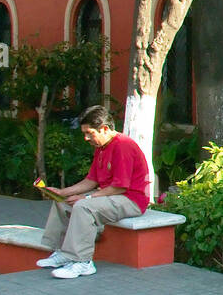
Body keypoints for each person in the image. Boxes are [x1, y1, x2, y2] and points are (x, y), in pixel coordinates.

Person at [36, 105, 150, 278]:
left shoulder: (123, 146)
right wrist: (62, 192)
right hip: (112, 195)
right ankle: (62, 253)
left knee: (83, 207)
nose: (86, 138)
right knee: (61, 203)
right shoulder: (101, 148)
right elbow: (91, 180)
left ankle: (83, 262)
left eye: (90, 133)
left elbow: (120, 186)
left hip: (131, 200)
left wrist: (87, 197)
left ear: (104, 129)